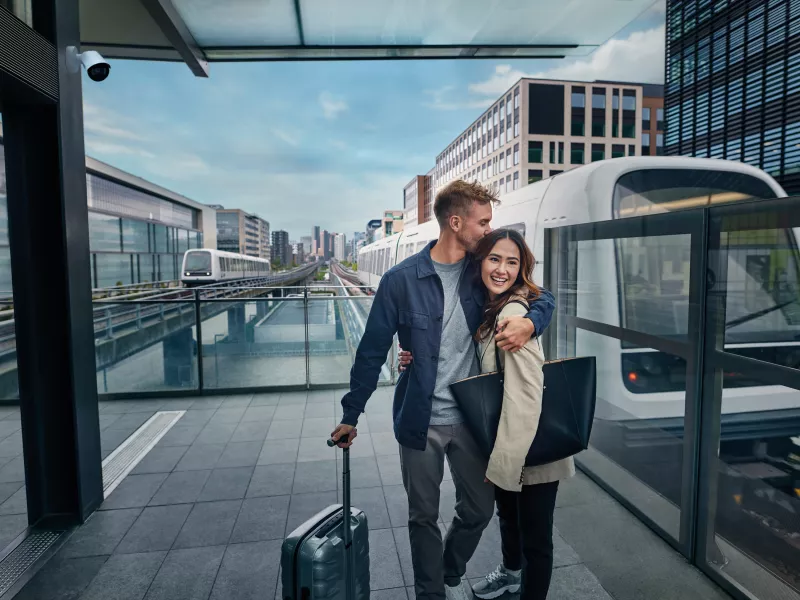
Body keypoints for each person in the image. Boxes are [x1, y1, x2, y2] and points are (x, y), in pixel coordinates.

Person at [330, 180, 555, 600]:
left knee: (478, 509)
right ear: (456, 222)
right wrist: (350, 414)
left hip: (470, 419)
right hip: (420, 421)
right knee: (423, 518)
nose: (488, 230)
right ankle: (431, 594)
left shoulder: (481, 274)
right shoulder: (401, 281)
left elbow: (540, 295)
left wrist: (531, 322)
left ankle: (448, 571)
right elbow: (370, 351)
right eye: (483, 222)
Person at [467, 228, 575, 600]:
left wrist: (502, 465)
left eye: (512, 262)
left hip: (530, 449)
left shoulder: (512, 314)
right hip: (509, 443)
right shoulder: (491, 305)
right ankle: (511, 575)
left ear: (522, 268)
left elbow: (526, 394)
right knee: (511, 520)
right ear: (480, 261)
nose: (502, 269)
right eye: (494, 258)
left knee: (536, 541)